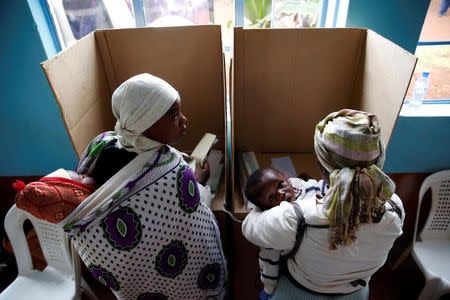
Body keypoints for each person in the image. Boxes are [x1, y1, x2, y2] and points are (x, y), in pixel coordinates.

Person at [64, 73, 227, 300]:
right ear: (145, 126)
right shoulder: (174, 172)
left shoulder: (103, 144)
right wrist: (198, 181)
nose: (184, 119)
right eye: (173, 116)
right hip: (181, 281)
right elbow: (193, 211)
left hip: (133, 279)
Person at [242, 109, 405, 299]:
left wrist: (260, 204)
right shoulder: (395, 206)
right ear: (379, 158)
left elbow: (249, 227)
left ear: (322, 163)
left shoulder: (297, 218)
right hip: (355, 293)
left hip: (301, 292)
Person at [244, 167, 327, 299]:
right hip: (301, 271)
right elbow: (269, 261)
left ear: (286, 178)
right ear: (265, 207)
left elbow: (323, 186)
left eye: (281, 184)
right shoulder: (273, 224)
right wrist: (269, 289)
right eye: (272, 197)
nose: (281, 193)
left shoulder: (305, 188)